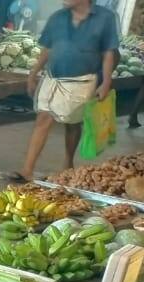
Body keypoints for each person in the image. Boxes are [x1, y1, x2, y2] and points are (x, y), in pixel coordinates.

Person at [9, 0, 118, 182]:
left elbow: (109, 52)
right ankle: (27, 170)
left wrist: (106, 82)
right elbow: (47, 48)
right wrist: (33, 73)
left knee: (72, 122)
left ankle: (68, 163)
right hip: (52, 77)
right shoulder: (57, 18)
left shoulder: (105, 18)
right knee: (44, 117)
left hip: (82, 80)